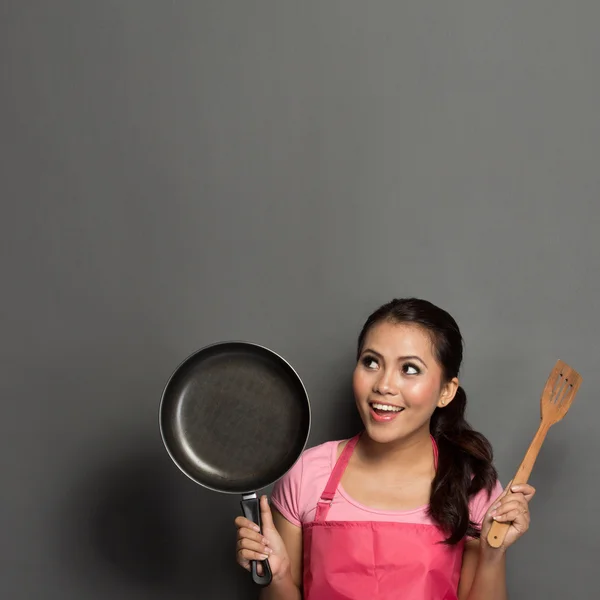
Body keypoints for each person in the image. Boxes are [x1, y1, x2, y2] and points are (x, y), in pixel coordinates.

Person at [234, 298, 535, 600]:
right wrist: (279, 577)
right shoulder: (306, 474)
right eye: (371, 362)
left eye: (410, 369)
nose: (384, 385)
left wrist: (492, 555)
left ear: (446, 391)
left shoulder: (471, 486)